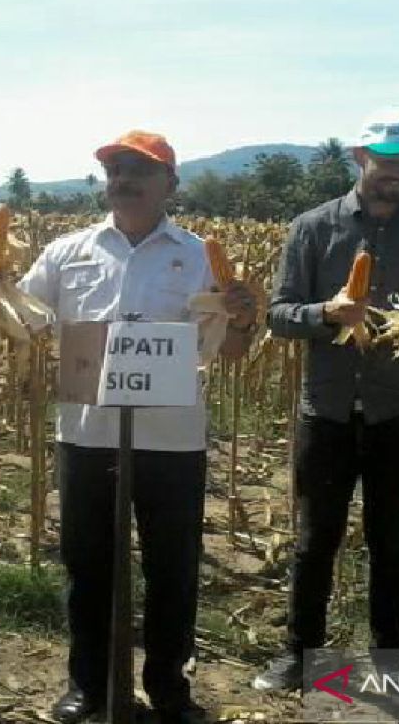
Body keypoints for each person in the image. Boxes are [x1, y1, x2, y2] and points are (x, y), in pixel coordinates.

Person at [17, 130, 257, 724]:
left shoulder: (201, 255)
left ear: (170, 185)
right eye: (116, 170)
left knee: (172, 565)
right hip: (86, 432)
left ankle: (169, 685)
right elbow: (21, 323)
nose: (123, 180)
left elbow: (232, 353)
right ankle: (89, 685)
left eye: (139, 171)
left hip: (172, 439)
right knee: (87, 563)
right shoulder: (65, 252)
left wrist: (246, 318)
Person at [255, 109, 399, 702]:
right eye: (390, 160)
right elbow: (278, 316)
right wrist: (324, 315)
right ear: (360, 157)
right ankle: (300, 656)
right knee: (313, 540)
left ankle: (391, 661)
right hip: (325, 410)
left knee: (390, 540)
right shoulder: (314, 228)